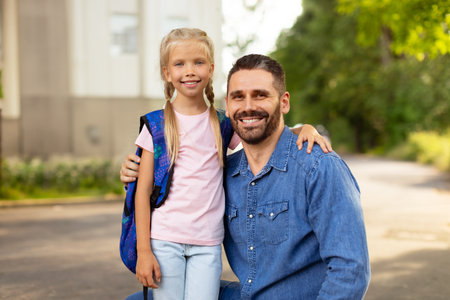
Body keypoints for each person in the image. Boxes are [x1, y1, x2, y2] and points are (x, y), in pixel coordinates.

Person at [126, 28, 332, 300]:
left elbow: (261, 133)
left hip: (208, 242)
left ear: (211, 69)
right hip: (164, 240)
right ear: (167, 72)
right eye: (180, 64)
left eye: (198, 62)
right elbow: (142, 191)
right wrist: (144, 252)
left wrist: (304, 127)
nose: (189, 71)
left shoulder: (222, 123)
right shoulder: (156, 125)